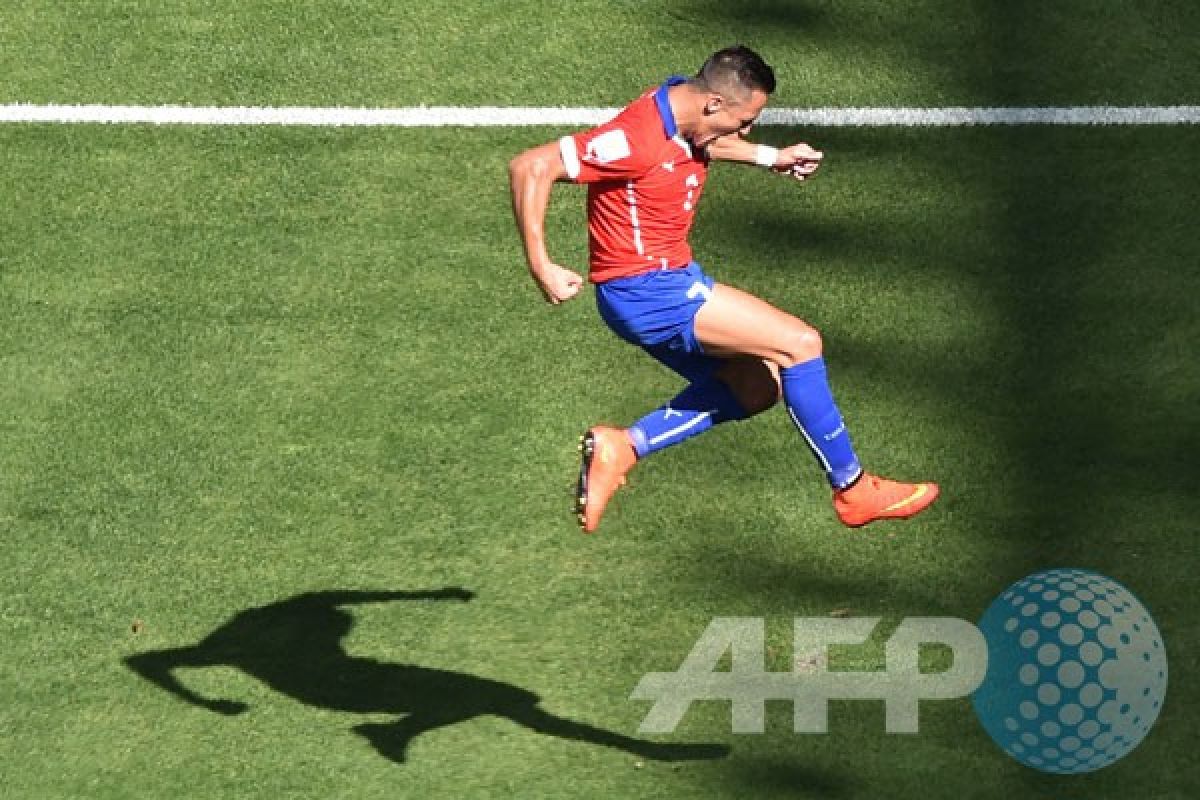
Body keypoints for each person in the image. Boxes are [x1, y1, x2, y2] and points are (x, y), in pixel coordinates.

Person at [508, 45, 938, 533]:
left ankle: (624, 446)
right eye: (745, 120)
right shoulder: (636, 138)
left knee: (758, 385)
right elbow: (531, 166)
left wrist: (770, 156)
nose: (747, 129)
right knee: (800, 344)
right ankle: (853, 489)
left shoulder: (683, 105)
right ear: (713, 103)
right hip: (648, 290)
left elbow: (704, 141)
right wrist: (542, 266)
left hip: (665, 282)